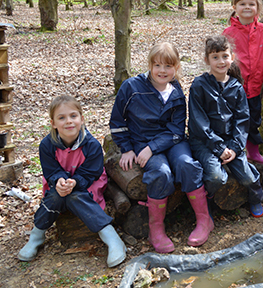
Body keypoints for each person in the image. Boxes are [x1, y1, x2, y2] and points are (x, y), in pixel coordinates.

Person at [109, 42, 210, 251]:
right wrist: (127, 148)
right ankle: (156, 229)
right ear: (149, 65)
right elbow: (117, 122)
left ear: (176, 68)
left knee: (186, 165)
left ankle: (204, 220)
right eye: (157, 65)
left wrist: (153, 147)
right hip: (142, 143)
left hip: (171, 142)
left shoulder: (176, 91)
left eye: (168, 66)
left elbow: (177, 130)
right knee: (161, 172)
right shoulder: (131, 87)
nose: (162, 71)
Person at [19, 95, 126, 267]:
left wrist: (75, 182)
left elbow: (92, 172)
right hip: (59, 186)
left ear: (82, 119)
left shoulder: (91, 144)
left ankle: (111, 237)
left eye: (73, 116)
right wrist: (60, 180)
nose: (69, 121)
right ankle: (37, 236)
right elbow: (51, 170)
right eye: (61, 118)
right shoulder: (47, 145)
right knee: (56, 195)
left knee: (74, 195)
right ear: (53, 123)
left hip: (87, 184)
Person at [188, 35, 263, 217]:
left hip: (231, 141)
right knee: (217, 177)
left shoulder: (236, 87)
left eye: (224, 56)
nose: (221, 61)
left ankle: (256, 198)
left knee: (247, 176)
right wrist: (218, 147)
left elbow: (242, 120)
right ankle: (207, 200)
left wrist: (236, 148)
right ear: (207, 60)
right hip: (205, 141)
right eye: (215, 57)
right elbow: (198, 122)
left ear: (232, 58)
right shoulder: (199, 85)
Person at [223, 0, 263, 165]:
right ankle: (233, 152)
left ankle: (253, 152)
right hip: (235, 87)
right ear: (234, 6)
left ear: (258, 7)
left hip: (256, 86)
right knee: (233, 120)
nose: (247, 7)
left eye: (252, 4)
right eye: (242, 4)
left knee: (253, 119)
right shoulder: (228, 33)